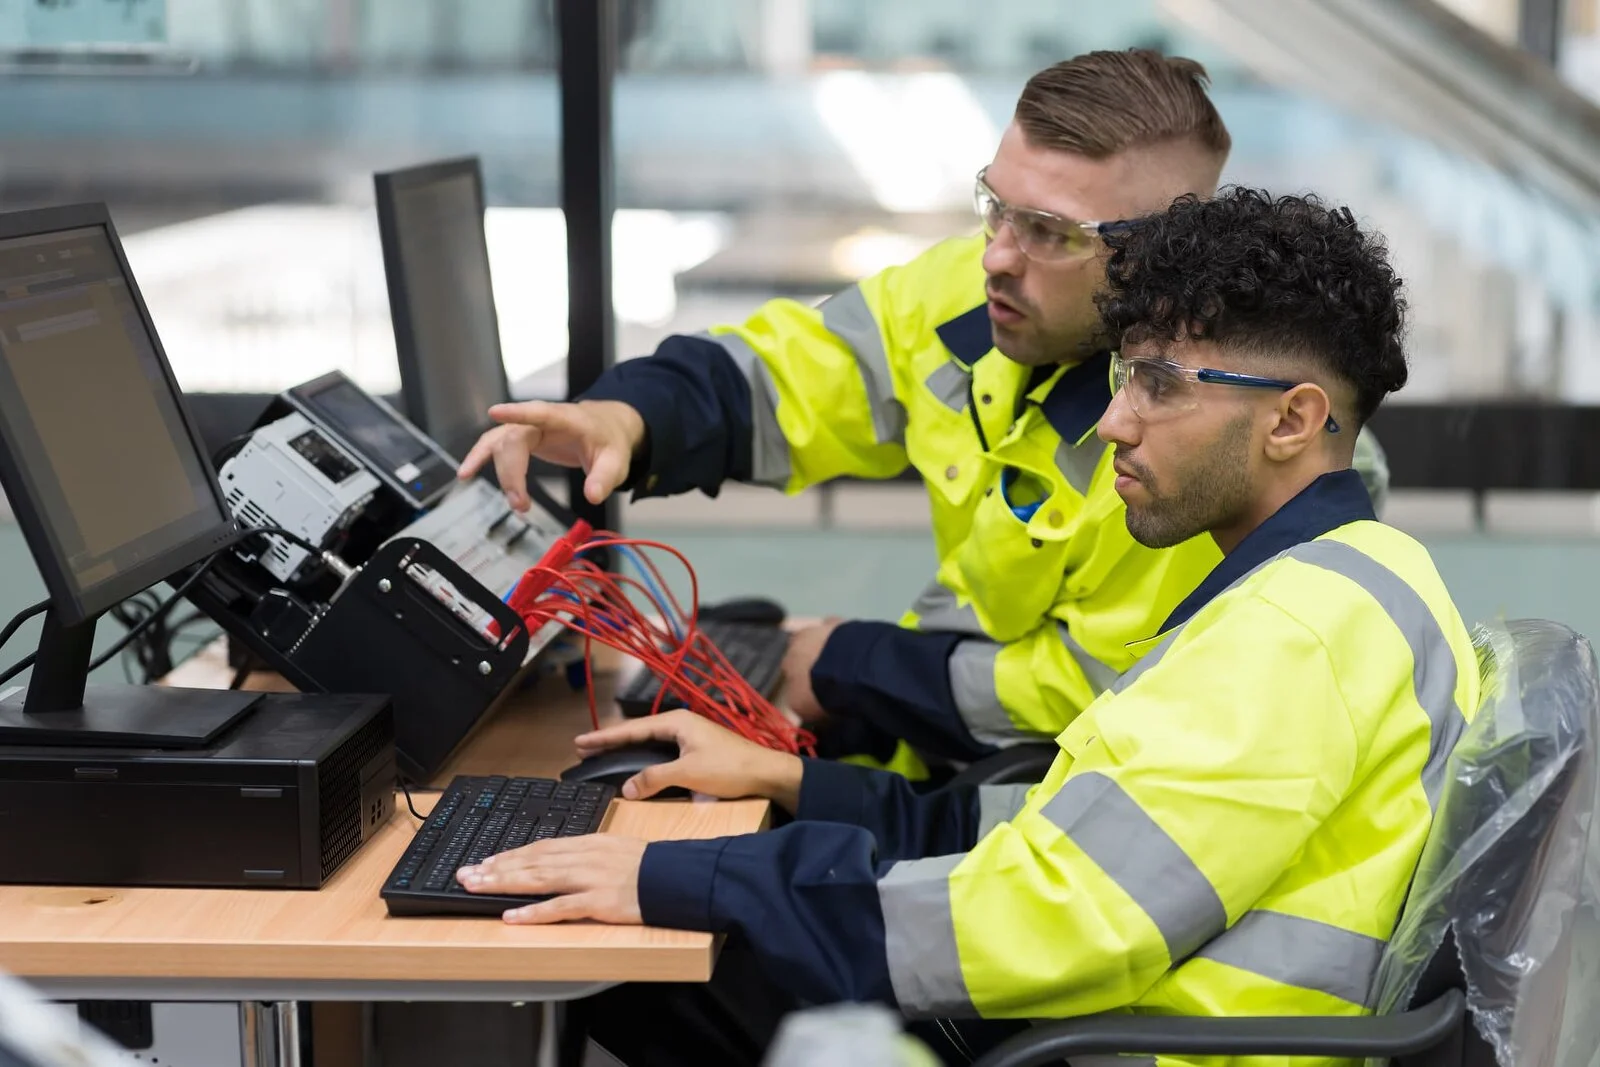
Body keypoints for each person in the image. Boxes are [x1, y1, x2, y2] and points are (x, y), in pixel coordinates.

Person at [456, 188, 1477, 1067]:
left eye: (1160, 386)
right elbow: (1071, 842)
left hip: (1129, 1040)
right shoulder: (1345, 579)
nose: (1114, 422)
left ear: (1293, 419)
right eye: (1125, 377)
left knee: (648, 967)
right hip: (1123, 1007)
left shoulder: (1289, 635)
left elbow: (1050, 917)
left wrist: (683, 872)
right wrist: (796, 787)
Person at [458, 50, 1393, 777]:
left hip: (1031, 801)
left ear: (1161, 252)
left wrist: (841, 666)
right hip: (950, 750)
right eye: (996, 204)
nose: (995, 254)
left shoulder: (1199, 446)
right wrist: (631, 416)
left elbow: (1087, 700)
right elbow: (801, 374)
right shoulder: (980, 296)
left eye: (1049, 233)